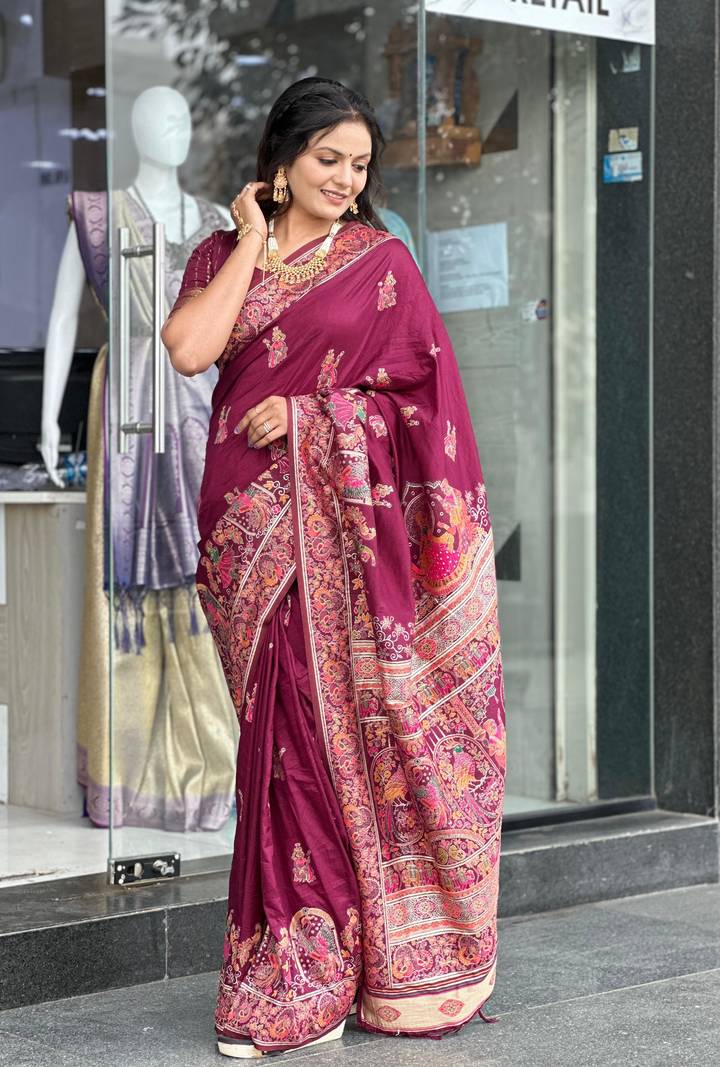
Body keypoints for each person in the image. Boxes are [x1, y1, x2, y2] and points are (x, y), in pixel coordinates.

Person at [162, 76, 507, 1059]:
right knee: (267, 750)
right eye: (327, 159)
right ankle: (285, 959)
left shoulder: (380, 261)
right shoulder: (221, 253)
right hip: (243, 534)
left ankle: (308, 975)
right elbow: (188, 347)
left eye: (358, 165)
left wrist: (314, 416)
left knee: (308, 746)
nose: (346, 180)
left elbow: (423, 400)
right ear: (282, 159)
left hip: (338, 536)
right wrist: (248, 238)